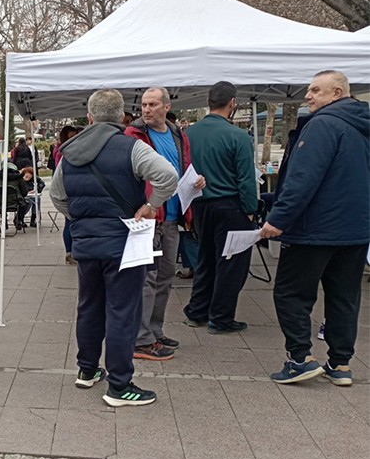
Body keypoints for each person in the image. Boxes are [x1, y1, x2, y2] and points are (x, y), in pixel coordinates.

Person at [50, 89, 177, 407]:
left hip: (86, 244)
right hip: (124, 244)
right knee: (123, 312)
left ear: (89, 117)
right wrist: (151, 206)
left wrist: (81, 218)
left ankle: (87, 369)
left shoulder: (69, 152)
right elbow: (168, 176)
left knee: (89, 307)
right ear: (123, 117)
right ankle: (120, 385)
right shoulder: (132, 147)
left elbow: (57, 196)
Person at [260, 70, 369, 386]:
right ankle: (340, 364)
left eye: (315, 90)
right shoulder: (361, 128)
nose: (307, 96)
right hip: (355, 230)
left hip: (315, 230)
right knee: (344, 297)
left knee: (290, 293)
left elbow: (302, 180)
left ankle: (300, 359)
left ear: (337, 93)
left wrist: (277, 219)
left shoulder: (323, 125)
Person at [125, 87, 206, 360]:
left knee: (165, 278)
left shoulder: (178, 134)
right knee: (146, 280)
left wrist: (196, 181)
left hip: (173, 217)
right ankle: (141, 338)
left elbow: (181, 169)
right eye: (144, 105)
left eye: (152, 104)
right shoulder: (133, 135)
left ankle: (154, 331)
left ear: (166, 106)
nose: (146, 109)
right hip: (148, 219)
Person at [182, 82, 257, 334]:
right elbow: (246, 178)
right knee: (232, 262)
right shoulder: (238, 136)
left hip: (200, 204)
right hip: (231, 206)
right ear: (232, 103)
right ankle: (221, 316)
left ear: (208, 101)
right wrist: (250, 208)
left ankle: (197, 310)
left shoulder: (189, 134)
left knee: (205, 259)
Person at [55, 125, 79, 264]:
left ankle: (72, 250)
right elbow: (61, 172)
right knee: (69, 220)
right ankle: (69, 251)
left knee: (70, 221)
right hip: (66, 189)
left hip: (73, 188)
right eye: (70, 137)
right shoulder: (62, 153)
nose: (73, 139)